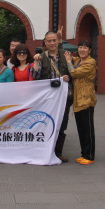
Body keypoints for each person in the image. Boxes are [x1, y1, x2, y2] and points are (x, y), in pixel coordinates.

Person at [40, 31, 72, 162]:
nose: (52, 43)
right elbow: (36, 77)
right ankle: (45, 151)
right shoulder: (41, 57)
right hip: (47, 98)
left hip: (63, 97)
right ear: (45, 42)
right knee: (46, 124)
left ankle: (58, 153)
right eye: (49, 41)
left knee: (61, 125)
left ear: (58, 41)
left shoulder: (66, 55)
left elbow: (74, 73)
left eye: (54, 40)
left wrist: (69, 77)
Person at [65, 40, 97, 165]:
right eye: (80, 47)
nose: (82, 50)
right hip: (78, 99)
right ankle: (84, 153)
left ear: (89, 50)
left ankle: (89, 156)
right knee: (81, 128)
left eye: (85, 47)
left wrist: (69, 62)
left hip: (86, 98)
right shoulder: (77, 60)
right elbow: (66, 56)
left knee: (88, 128)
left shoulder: (90, 62)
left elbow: (75, 73)